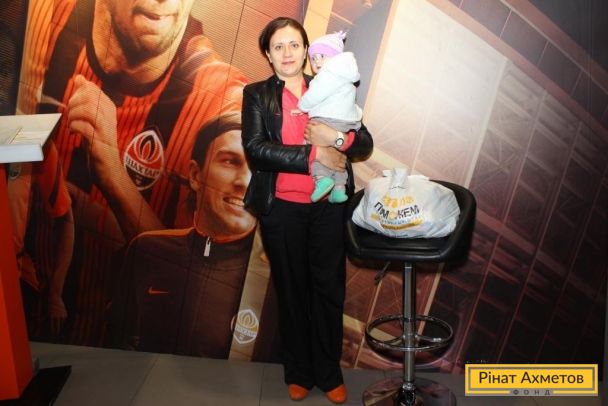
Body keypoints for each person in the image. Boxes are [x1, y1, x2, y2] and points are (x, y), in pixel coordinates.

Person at [14, 0, 247, 345]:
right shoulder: (42, 14)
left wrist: (114, 175)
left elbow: (203, 302)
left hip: (113, 360)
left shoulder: (224, 105)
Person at [241, 17, 373, 404]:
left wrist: (334, 138)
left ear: (306, 51)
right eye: (278, 46)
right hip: (281, 209)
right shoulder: (256, 95)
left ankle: (329, 373)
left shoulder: (331, 83)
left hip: (328, 209)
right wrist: (314, 155)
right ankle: (298, 371)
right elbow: (256, 150)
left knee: (328, 290)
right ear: (268, 55)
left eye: (294, 45)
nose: (287, 53)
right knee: (292, 291)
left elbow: (363, 142)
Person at [109, 113, 257, 357]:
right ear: (195, 175)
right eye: (230, 161)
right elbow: (116, 347)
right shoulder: (147, 252)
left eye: (260, 169)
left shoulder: (276, 281)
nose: (245, 182)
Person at [296, 30, 363, 204]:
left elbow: (315, 95)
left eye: (322, 56)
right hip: (346, 121)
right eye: (313, 58)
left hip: (329, 118)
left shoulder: (328, 75)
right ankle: (339, 189)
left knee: (312, 143)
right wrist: (339, 138)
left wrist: (301, 106)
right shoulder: (345, 75)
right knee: (337, 153)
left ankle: (321, 179)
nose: (317, 62)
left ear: (334, 57)